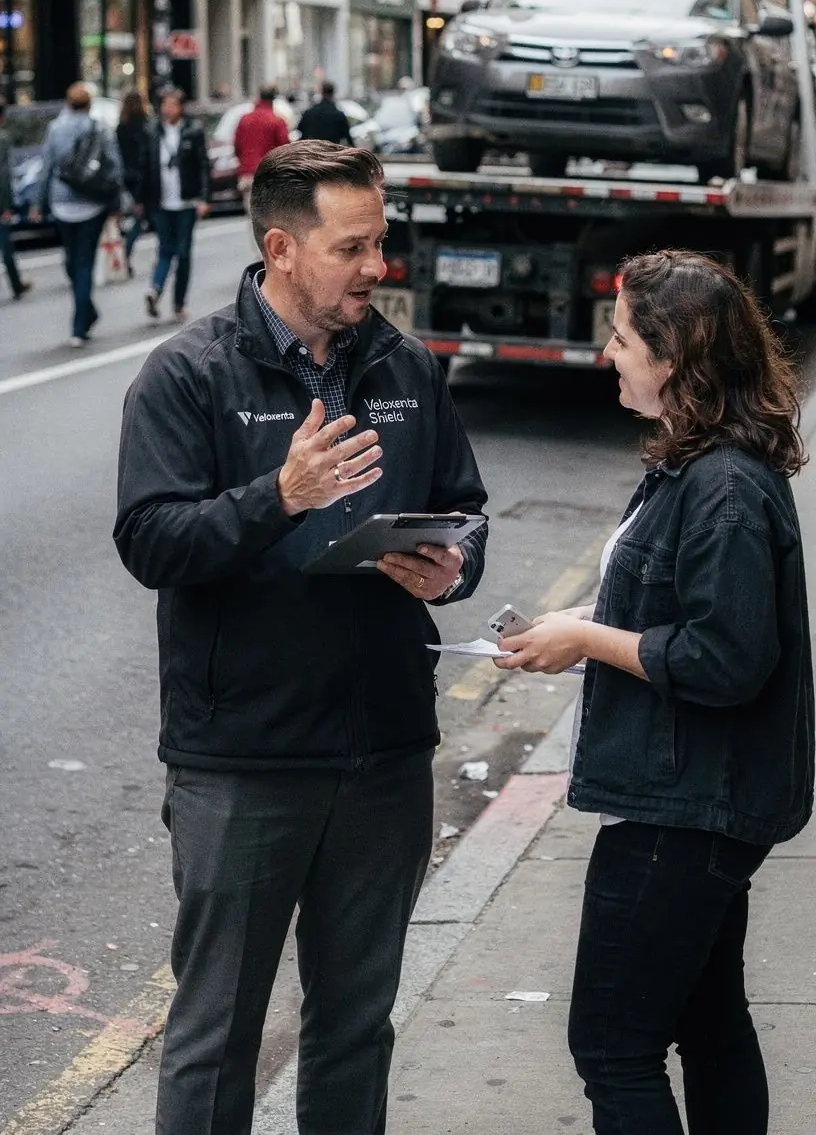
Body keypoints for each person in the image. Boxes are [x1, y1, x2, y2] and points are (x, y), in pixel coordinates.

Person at [114, 139, 488, 1135]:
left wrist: (454, 566)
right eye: (354, 246)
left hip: (384, 757)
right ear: (281, 248)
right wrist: (276, 497)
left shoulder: (405, 364)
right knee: (213, 1038)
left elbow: (466, 508)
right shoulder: (187, 374)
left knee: (356, 1030)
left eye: (382, 241)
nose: (379, 266)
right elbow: (151, 540)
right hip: (244, 762)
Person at [495, 250, 815, 1135]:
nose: (609, 352)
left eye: (624, 336)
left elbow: (726, 657)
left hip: (687, 808)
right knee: (709, 1026)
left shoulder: (722, 489)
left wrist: (589, 638)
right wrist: (571, 630)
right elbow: (680, 601)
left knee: (612, 1048)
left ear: (673, 356)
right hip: (701, 797)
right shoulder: (705, 463)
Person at [40, 82, 123, 346]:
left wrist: (39, 201)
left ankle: (81, 319)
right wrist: (116, 202)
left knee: (71, 259)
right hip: (92, 202)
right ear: (90, 104)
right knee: (84, 261)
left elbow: (47, 166)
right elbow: (114, 166)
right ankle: (82, 319)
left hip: (61, 202)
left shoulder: (55, 129)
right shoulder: (100, 129)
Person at [141, 87, 210, 324]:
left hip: (186, 201)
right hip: (161, 201)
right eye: (163, 104)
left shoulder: (193, 131)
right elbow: (145, 166)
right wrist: (143, 200)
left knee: (183, 253)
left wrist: (203, 198)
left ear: (180, 108)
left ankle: (179, 302)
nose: (166, 109)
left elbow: (203, 165)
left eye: (171, 104)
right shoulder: (152, 131)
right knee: (164, 248)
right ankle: (155, 290)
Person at [233, 84, 290, 214]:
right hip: (270, 174)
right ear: (274, 99)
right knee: (271, 217)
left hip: (247, 173)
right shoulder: (277, 121)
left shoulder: (245, 120)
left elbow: (237, 146)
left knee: (253, 216)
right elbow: (284, 148)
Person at [0, 96, 32, 301]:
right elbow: (3, 175)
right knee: (5, 244)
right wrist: (6, 205)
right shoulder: (2, 138)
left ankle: (17, 283)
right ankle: (16, 283)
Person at [116, 88, 150, 276]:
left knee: (137, 217)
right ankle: (126, 253)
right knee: (143, 217)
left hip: (126, 177)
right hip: (142, 177)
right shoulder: (146, 125)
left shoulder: (121, 126)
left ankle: (126, 254)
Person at [297, 80, 353, 145]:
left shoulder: (309, 113)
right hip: (331, 151)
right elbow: (347, 137)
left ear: (322, 93)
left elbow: (300, 130)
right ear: (333, 93)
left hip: (313, 150)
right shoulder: (339, 115)